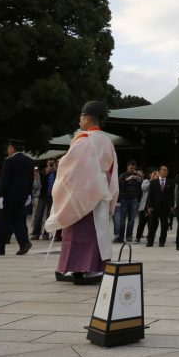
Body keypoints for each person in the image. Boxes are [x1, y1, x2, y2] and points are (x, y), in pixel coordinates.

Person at [45, 101, 119, 284]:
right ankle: (90, 268)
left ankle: (73, 268)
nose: (79, 121)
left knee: (75, 232)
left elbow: (69, 165)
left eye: (80, 118)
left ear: (86, 118)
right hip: (100, 191)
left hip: (81, 191)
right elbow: (111, 170)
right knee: (96, 232)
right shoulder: (106, 141)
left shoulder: (84, 139)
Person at [0, 140, 35, 256]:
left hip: (9, 196)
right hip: (22, 196)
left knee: (3, 222)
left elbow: (5, 179)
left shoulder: (9, 161)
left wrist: (1, 196)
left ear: (12, 148)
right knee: (16, 220)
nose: (8, 150)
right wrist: (29, 194)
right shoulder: (29, 161)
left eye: (9, 148)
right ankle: (24, 243)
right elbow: (30, 179)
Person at [145, 165, 174, 247]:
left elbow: (172, 196)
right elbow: (150, 195)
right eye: (164, 170)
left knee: (164, 225)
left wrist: (171, 206)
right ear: (159, 171)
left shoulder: (170, 182)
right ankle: (150, 242)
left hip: (165, 207)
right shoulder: (153, 182)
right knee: (152, 225)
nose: (166, 172)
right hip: (155, 207)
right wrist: (149, 206)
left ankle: (162, 242)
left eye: (167, 170)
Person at [114, 160, 142, 243]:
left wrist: (139, 180)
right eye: (131, 168)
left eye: (133, 168)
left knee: (132, 220)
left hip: (134, 200)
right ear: (127, 167)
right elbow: (118, 185)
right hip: (124, 199)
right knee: (122, 220)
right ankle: (121, 237)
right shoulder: (123, 175)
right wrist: (127, 179)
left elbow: (141, 188)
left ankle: (129, 236)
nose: (132, 170)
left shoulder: (137, 176)